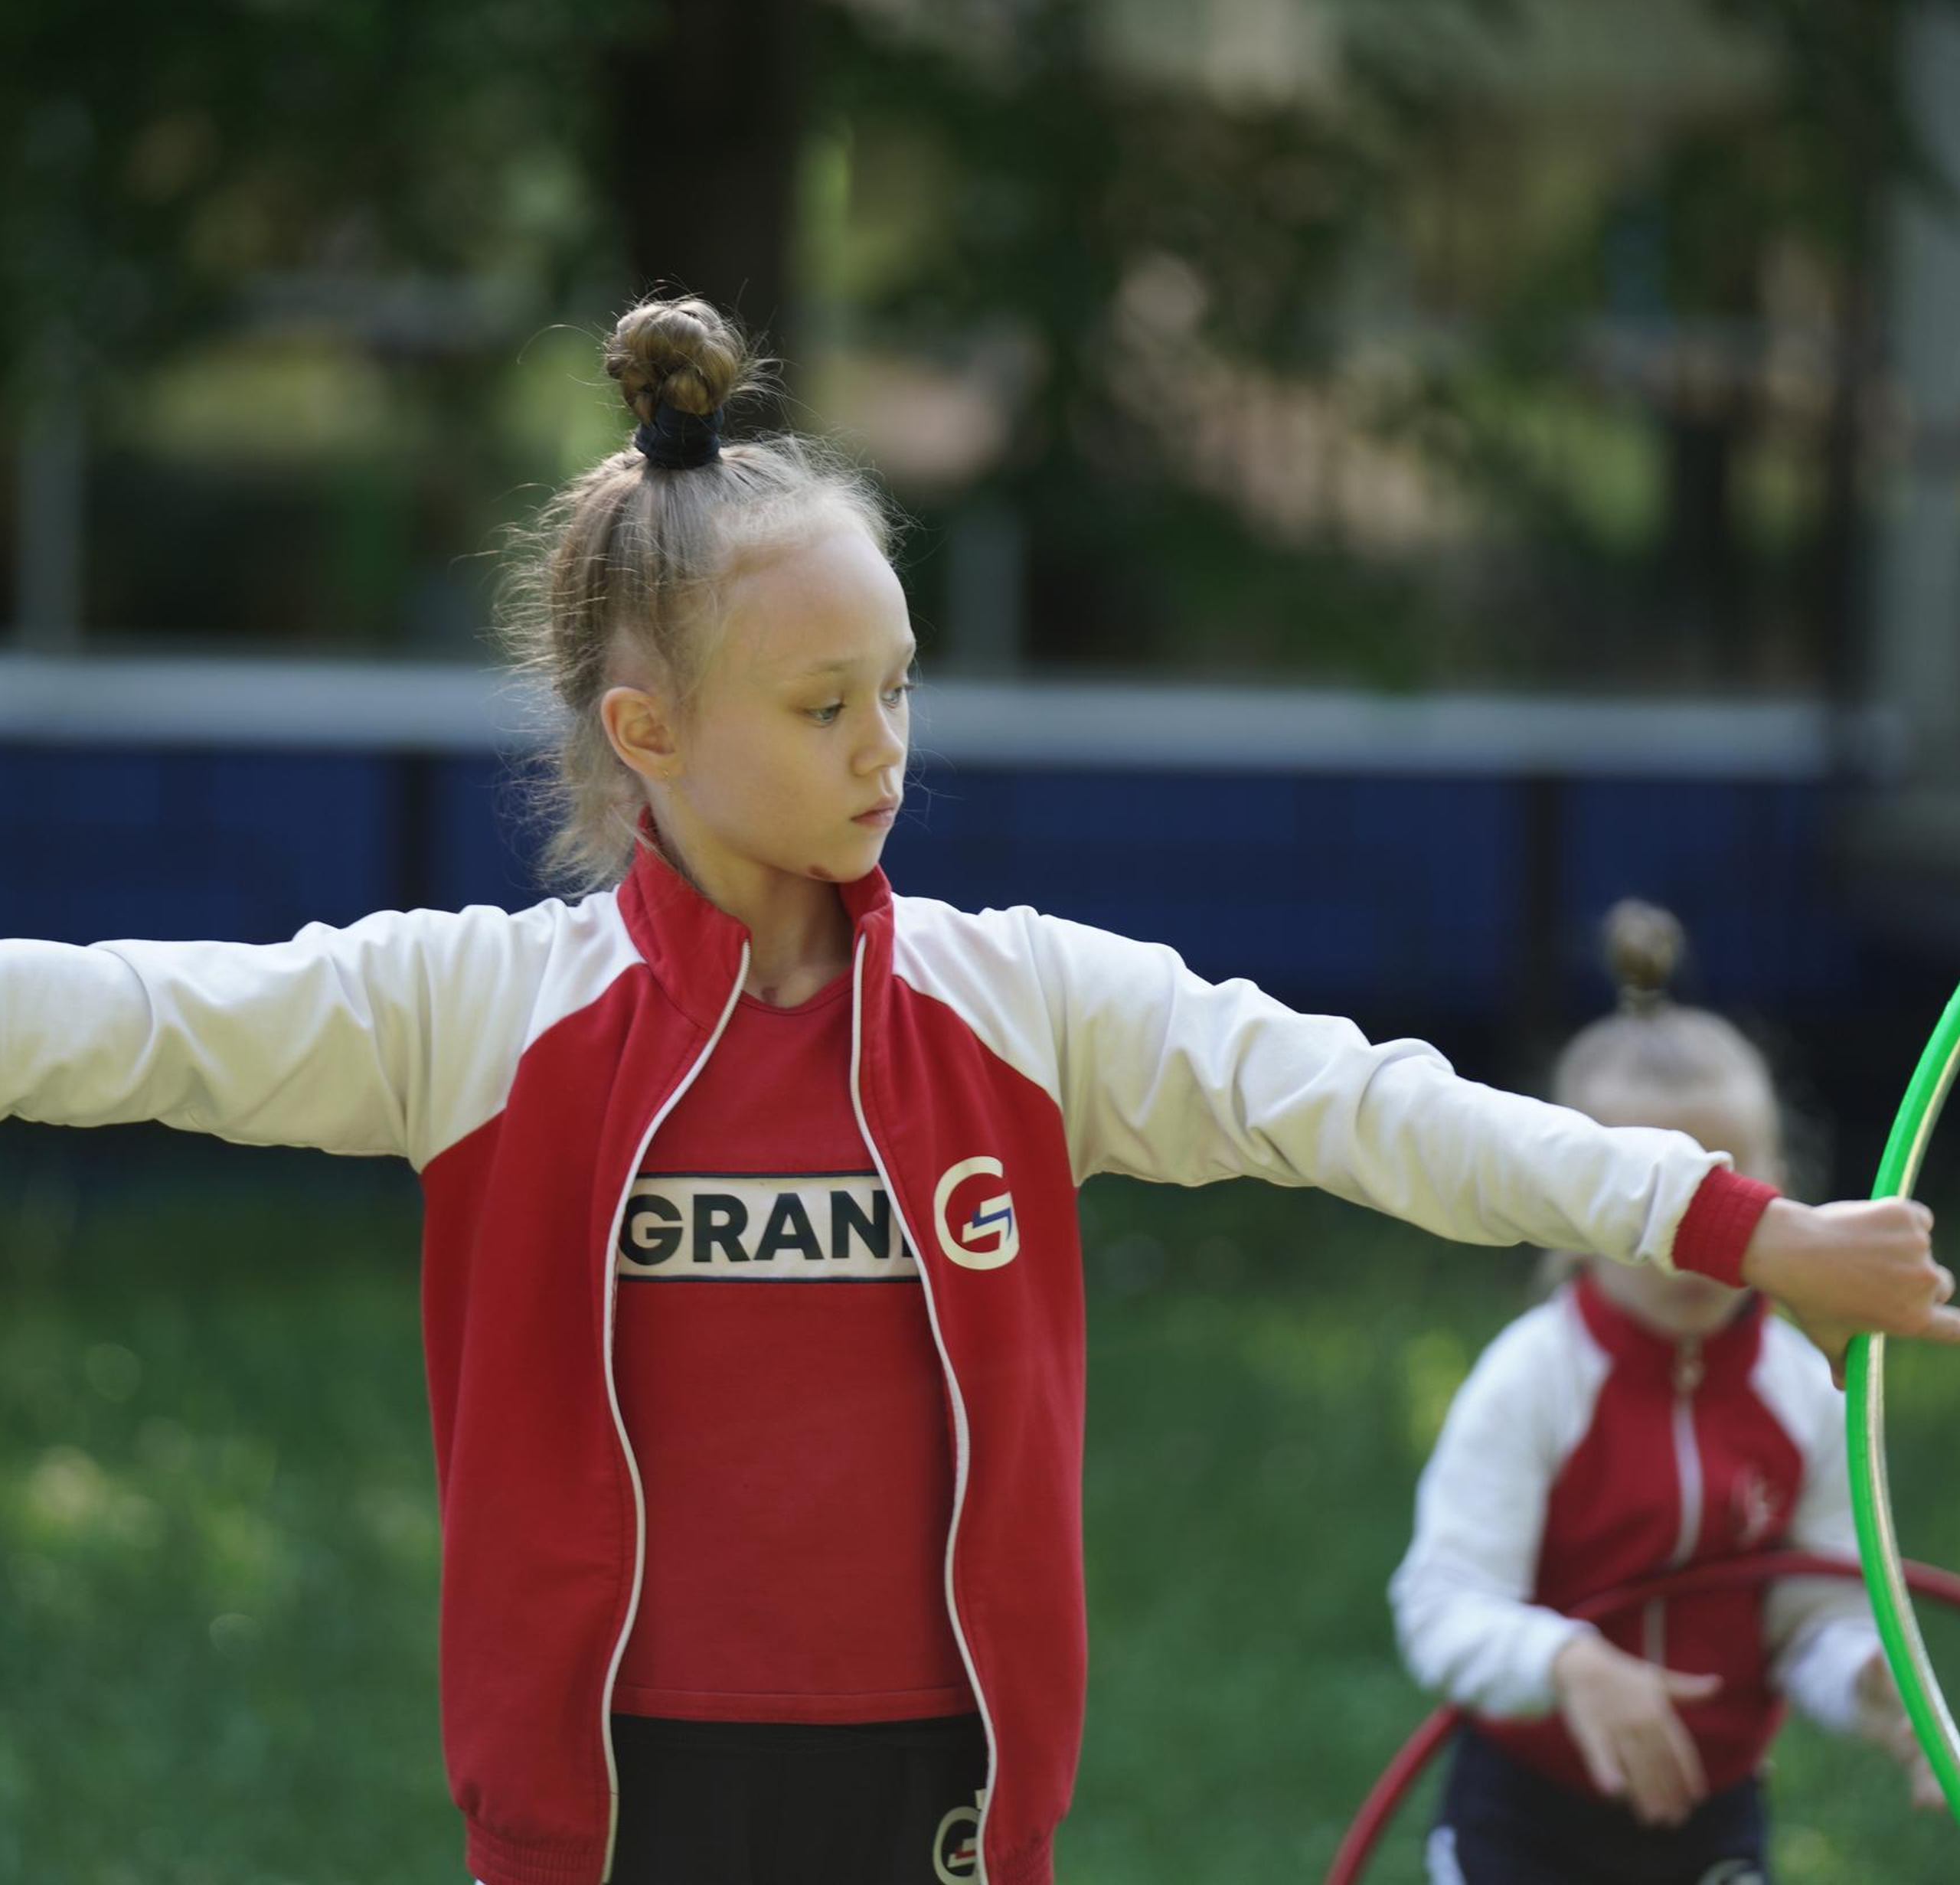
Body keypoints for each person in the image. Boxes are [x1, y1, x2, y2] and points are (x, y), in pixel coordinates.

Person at [2, 299, 1953, 1885]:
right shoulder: (475, 1015)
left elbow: (1365, 1105)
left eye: (899, 686)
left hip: (935, 1784)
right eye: (820, 704)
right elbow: (122, 1018)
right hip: (605, 1807)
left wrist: (1732, 1222)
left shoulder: (1019, 1004)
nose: (883, 748)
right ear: (647, 732)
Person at [1390, 900, 1944, 1885]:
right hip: (1527, 1815)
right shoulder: (1535, 1380)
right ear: (1569, 1199)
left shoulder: (1802, 1387)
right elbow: (1443, 1605)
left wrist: (1866, 1676)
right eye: (1657, 1190)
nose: (1692, 1231)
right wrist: (1569, 1664)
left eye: (1726, 1181)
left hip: (1713, 1812)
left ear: (1778, 1184)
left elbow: (1806, 1613)